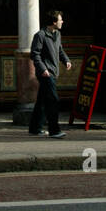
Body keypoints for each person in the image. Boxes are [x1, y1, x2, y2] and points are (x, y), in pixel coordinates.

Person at [28, 10, 71, 139]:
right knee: (53, 100)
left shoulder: (57, 34)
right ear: (53, 22)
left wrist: (66, 60)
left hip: (53, 71)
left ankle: (35, 127)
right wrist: (42, 69)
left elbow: (60, 50)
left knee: (42, 101)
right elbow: (34, 54)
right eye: (60, 19)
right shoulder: (40, 35)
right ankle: (54, 130)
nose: (62, 21)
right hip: (46, 73)